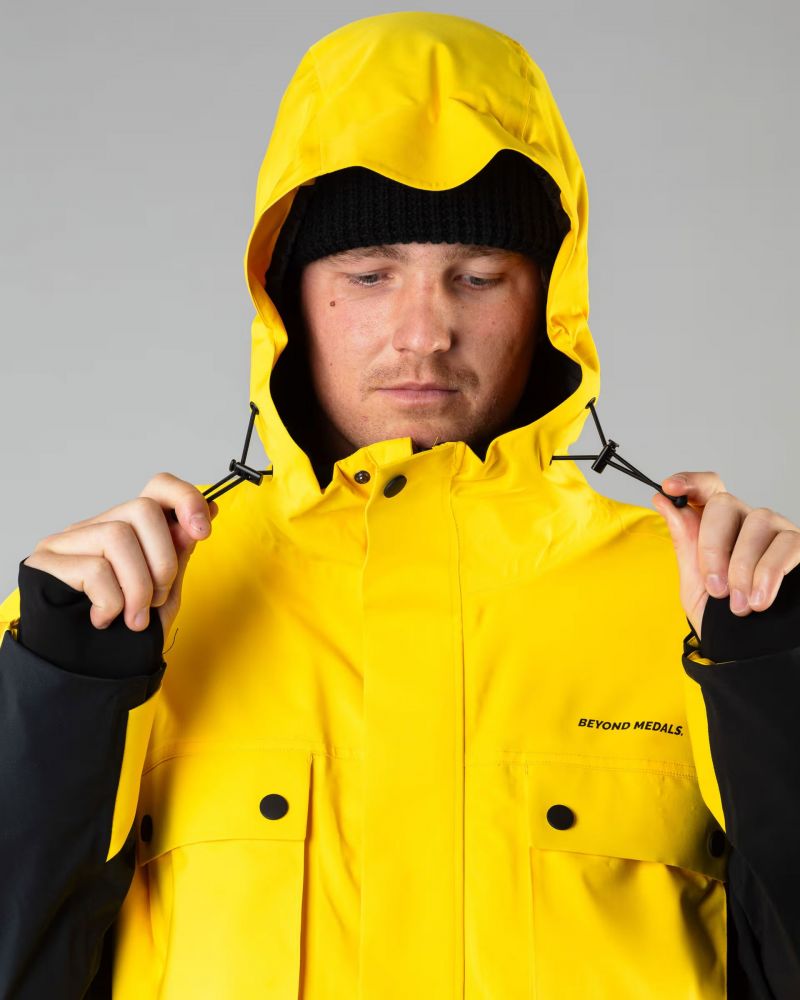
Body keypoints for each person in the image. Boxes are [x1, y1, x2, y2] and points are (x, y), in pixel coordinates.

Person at [1, 10, 799, 999]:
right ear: (287, 298)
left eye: (478, 275)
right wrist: (62, 692)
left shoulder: (699, 602)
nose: (423, 332)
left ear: (550, 300)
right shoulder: (122, 610)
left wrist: (774, 678)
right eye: (369, 273)